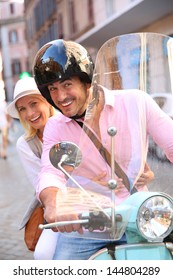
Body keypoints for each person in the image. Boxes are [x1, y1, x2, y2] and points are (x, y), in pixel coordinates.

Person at [31, 39, 162, 260]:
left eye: (67, 84)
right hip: (85, 224)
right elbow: (50, 171)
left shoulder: (135, 102)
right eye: (53, 89)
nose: (61, 97)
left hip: (137, 215)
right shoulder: (55, 125)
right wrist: (53, 205)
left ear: (86, 81)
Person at [6, 77, 58, 260]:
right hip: (56, 208)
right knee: (43, 254)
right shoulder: (25, 144)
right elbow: (41, 185)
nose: (30, 113)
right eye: (22, 109)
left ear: (46, 100)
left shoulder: (70, 123)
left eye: (34, 103)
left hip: (94, 199)